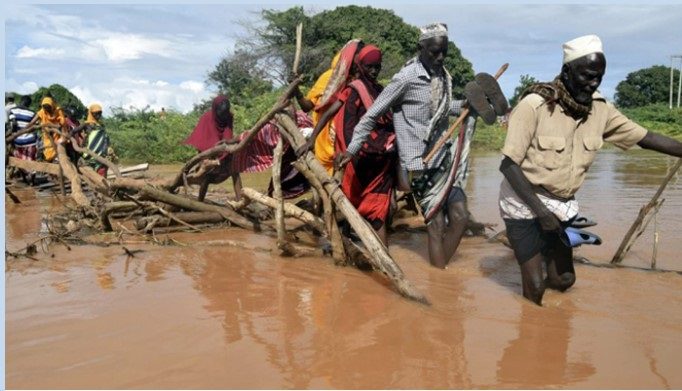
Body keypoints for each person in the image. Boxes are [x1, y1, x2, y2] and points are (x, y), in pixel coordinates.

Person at [498, 35, 682, 305]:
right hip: (523, 200)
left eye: (599, 77)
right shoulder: (534, 106)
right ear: (566, 72)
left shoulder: (601, 110)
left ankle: (544, 257)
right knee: (535, 287)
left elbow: (646, 137)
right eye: (586, 76)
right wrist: (541, 212)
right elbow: (508, 165)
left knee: (564, 281)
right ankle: (533, 315)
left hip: (562, 204)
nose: (593, 83)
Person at [337, 23, 506, 268]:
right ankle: (440, 280)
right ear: (421, 47)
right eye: (434, 52)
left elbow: (442, 110)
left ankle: (441, 278)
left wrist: (469, 107)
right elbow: (371, 115)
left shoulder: (442, 77)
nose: (440, 57)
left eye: (444, 52)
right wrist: (351, 150)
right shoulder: (406, 78)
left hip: (444, 159)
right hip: (419, 164)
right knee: (436, 226)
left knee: (459, 218)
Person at [312, 44, 396, 245]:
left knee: (378, 211)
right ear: (360, 66)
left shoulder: (381, 90)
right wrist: (311, 138)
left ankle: (382, 258)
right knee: (349, 202)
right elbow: (331, 111)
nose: (374, 71)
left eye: (378, 67)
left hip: (380, 159)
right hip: (357, 156)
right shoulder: (354, 89)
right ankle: (345, 244)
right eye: (370, 67)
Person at [293, 39, 363, 174]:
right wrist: (296, 89)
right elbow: (307, 106)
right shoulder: (328, 78)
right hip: (325, 138)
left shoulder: (361, 80)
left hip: (350, 139)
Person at [184, 95, 242, 201]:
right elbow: (204, 141)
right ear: (216, 110)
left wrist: (226, 153)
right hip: (208, 153)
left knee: (235, 170)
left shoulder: (228, 116)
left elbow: (228, 135)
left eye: (226, 114)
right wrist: (214, 158)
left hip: (222, 151)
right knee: (207, 176)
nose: (224, 116)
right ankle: (200, 202)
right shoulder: (207, 118)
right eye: (222, 114)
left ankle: (240, 200)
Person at [26, 96, 67, 162]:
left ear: (52, 105)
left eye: (48, 107)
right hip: (46, 134)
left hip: (56, 133)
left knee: (55, 148)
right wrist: (25, 128)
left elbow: (62, 124)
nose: (47, 109)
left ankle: (56, 159)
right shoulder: (42, 112)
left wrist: (52, 126)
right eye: (45, 108)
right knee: (46, 149)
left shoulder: (58, 111)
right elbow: (32, 122)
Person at [7, 95, 38, 184]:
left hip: (17, 141)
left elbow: (13, 125)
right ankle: (32, 181)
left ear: (21, 101)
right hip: (30, 141)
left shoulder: (13, 111)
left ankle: (25, 180)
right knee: (32, 161)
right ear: (29, 104)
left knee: (20, 161)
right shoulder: (32, 113)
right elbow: (35, 127)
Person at [78, 103, 111, 176]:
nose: (98, 115)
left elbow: (105, 137)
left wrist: (109, 147)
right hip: (89, 154)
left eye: (100, 113)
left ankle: (103, 185)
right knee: (91, 174)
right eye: (96, 113)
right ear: (91, 113)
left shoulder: (101, 125)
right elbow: (74, 131)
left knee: (102, 172)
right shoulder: (86, 124)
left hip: (101, 153)